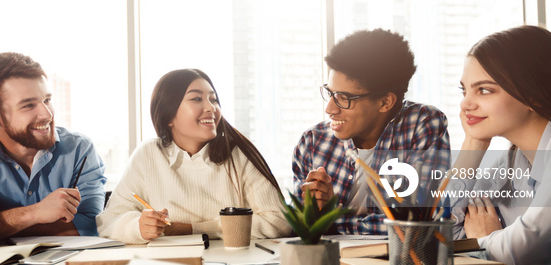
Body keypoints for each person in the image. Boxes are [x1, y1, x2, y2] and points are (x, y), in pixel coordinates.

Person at [96, 69, 291, 244]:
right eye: (197, 99)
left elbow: (280, 221)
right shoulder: (148, 154)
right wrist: (138, 227)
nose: (211, 108)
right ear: (169, 116)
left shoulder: (239, 154)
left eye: (213, 100)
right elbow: (108, 221)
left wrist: (196, 229)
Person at [292, 29, 451, 234]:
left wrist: (331, 220)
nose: (329, 108)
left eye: (343, 97)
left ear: (385, 102)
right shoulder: (313, 143)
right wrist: (315, 213)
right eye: (330, 93)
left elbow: (418, 222)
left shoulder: (422, 125)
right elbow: (298, 225)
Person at [0, 52, 106, 241]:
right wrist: (34, 214)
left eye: (47, 100)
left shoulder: (79, 149)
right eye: (28, 105)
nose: (47, 114)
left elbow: (92, 225)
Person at [448, 25, 551, 265]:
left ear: (532, 95)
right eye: (464, 91)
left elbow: (521, 249)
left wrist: (485, 237)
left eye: (484, 90)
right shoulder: (508, 164)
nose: (465, 104)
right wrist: (474, 144)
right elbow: (437, 235)